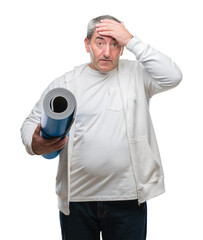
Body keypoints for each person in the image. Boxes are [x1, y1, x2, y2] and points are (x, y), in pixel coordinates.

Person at [21, 15, 182, 240]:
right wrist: (34, 144)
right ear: (87, 44)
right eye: (99, 43)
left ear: (122, 47)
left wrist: (132, 39)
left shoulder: (137, 75)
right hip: (77, 200)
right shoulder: (66, 84)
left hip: (127, 198)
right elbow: (29, 123)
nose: (106, 52)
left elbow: (173, 76)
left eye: (114, 43)